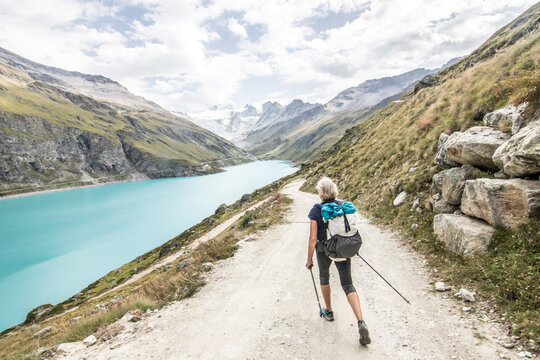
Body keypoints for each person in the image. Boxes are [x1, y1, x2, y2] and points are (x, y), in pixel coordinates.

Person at [305, 177, 371, 346]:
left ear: (320, 193)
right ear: (335, 191)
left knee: (324, 278)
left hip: (323, 250)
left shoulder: (316, 209)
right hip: (342, 248)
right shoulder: (342, 206)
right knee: (348, 284)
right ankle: (361, 321)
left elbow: (313, 238)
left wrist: (309, 259)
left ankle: (328, 310)